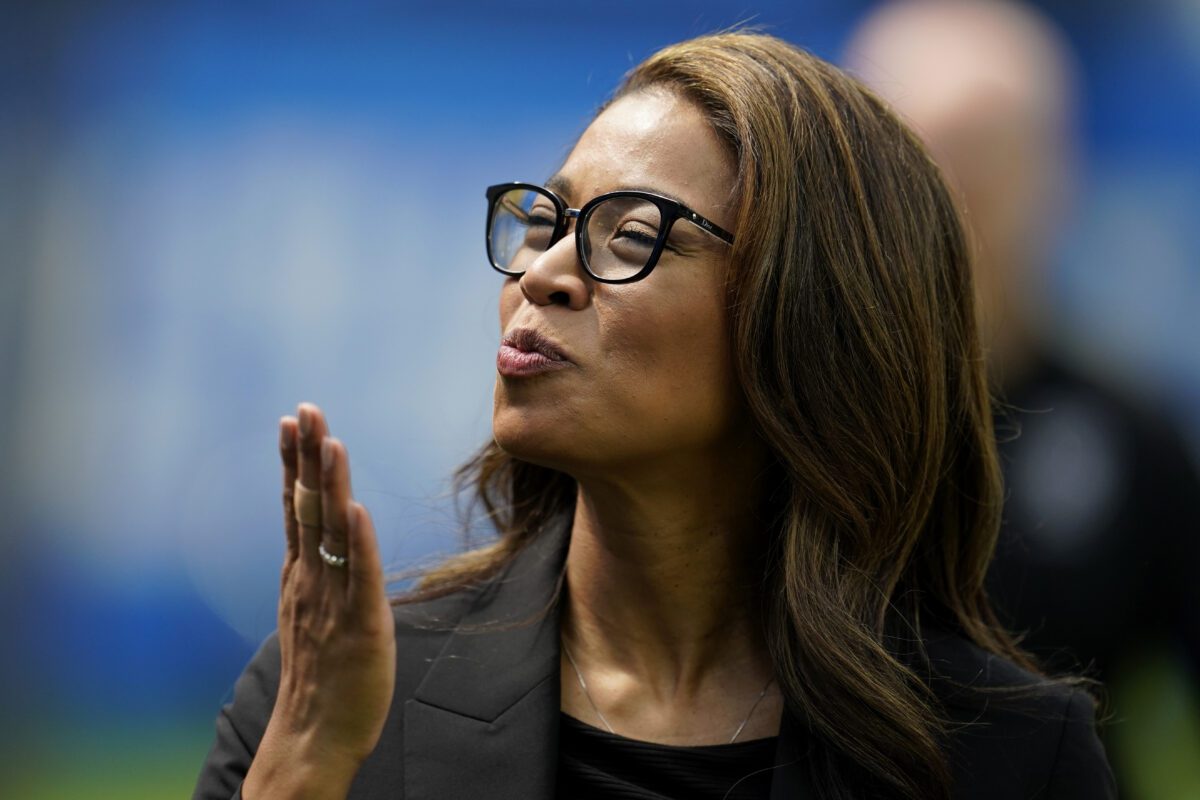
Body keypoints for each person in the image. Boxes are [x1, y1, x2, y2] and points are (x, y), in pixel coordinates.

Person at [192, 31, 1115, 799]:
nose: (542, 273)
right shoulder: (332, 700)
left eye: (629, 237)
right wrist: (302, 769)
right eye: (542, 221)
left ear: (804, 318)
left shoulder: (1011, 757)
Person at [844, 2, 1200, 790]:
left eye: (985, 154)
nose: (955, 196)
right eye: (916, 153)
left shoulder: (1132, 435)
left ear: (1059, 169)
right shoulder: (783, 424)